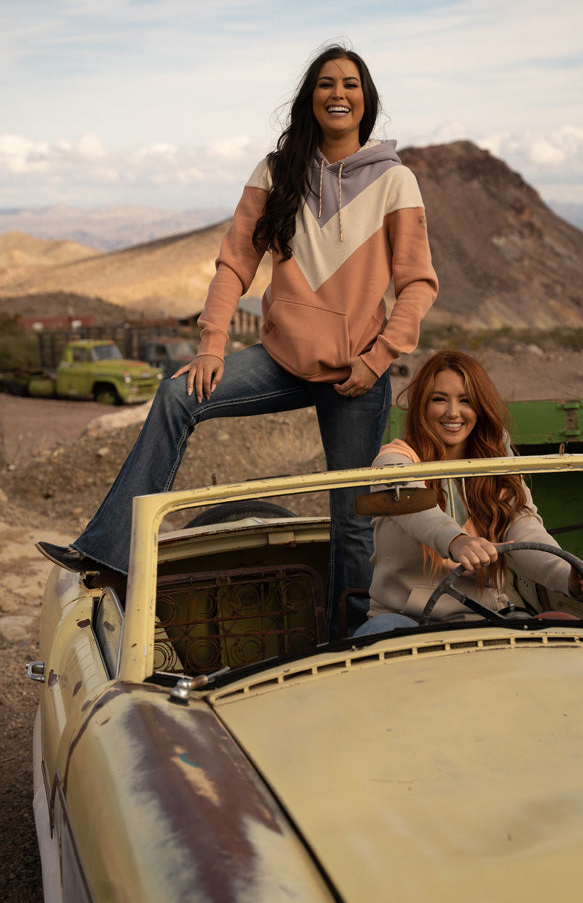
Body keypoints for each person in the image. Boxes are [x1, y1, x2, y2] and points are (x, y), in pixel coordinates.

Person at [37, 43, 439, 631]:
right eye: (326, 83)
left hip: (357, 375)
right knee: (178, 395)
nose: (338, 94)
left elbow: (419, 285)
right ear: (310, 98)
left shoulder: (395, 182)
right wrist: (211, 345)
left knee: (352, 519)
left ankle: (349, 641)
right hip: (280, 359)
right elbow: (233, 266)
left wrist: (378, 359)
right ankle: (111, 551)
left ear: (366, 100)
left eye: (350, 84)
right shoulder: (275, 173)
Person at [356, 350, 583, 635]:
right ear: (422, 405)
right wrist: (456, 541)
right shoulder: (395, 462)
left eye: (466, 401)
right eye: (439, 399)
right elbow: (415, 509)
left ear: (480, 408)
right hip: (404, 619)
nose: (453, 412)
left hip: (487, 617)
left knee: (563, 635)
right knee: (376, 637)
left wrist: (567, 576)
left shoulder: (495, 466)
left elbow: (525, 531)